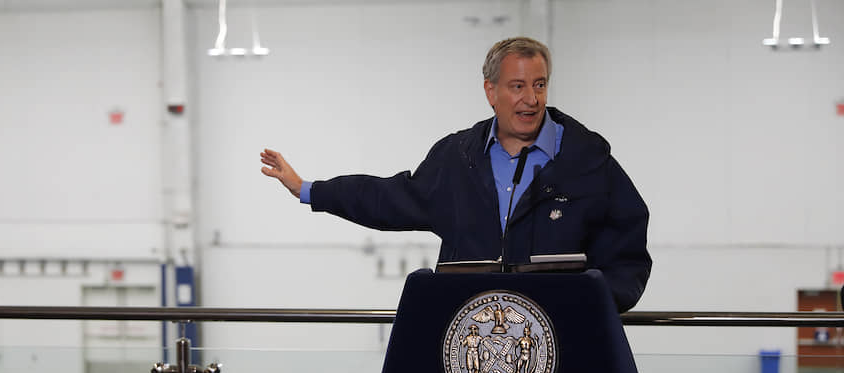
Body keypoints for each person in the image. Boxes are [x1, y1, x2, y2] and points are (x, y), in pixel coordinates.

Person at [261, 36, 651, 312]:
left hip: (564, 346)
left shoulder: (588, 160)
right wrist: (308, 189)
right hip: (472, 349)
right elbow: (388, 199)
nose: (531, 99)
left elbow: (628, 253)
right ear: (490, 91)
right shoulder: (456, 158)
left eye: (539, 85)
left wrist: (593, 305)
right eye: (517, 86)